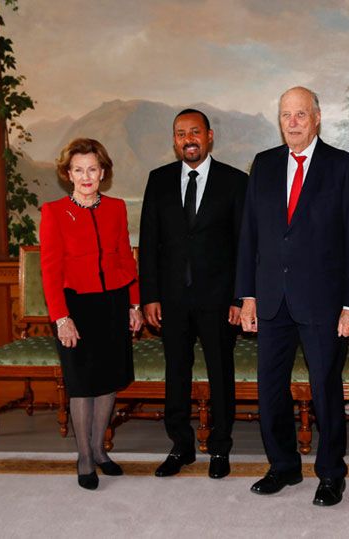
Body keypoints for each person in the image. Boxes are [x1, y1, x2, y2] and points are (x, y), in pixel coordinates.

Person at [236, 86, 349, 507]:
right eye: (285, 115)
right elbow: (249, 235)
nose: (292, 122)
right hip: (272, 299)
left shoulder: (343, 167)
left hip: (324, 302)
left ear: (316, 117)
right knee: (269, 388)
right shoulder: (264, 165)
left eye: (300, 114)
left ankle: (331, 474)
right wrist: (247, 296)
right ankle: (283, 465)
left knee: (325, 388)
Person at [139, 109, 248, 479]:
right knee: (176, 375)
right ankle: (181, 447)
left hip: (219, 300)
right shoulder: (158, 180)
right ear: (174, 140)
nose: (189, 139)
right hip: (171, 300)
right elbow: (149, 242)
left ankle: (220, 449)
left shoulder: (235, 181)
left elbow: (245, 246)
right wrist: (149, 296)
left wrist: (240, 297)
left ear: (210, 136)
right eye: (181, 133)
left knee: (220, 374)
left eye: (195, 132)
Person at [40, 138, 143, 490]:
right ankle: (84, 456)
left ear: (103, 172)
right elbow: (50, 271)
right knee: (82, 384)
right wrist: (61, 318)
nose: (86, 176)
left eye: (93, 169)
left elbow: (125, 259)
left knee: (109, 379)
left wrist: (134, 304)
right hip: (75, 308)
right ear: (68, 174)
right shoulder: (53, 212)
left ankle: (100, 450)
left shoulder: (115, 208)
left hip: (113, 304)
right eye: (79, 170)